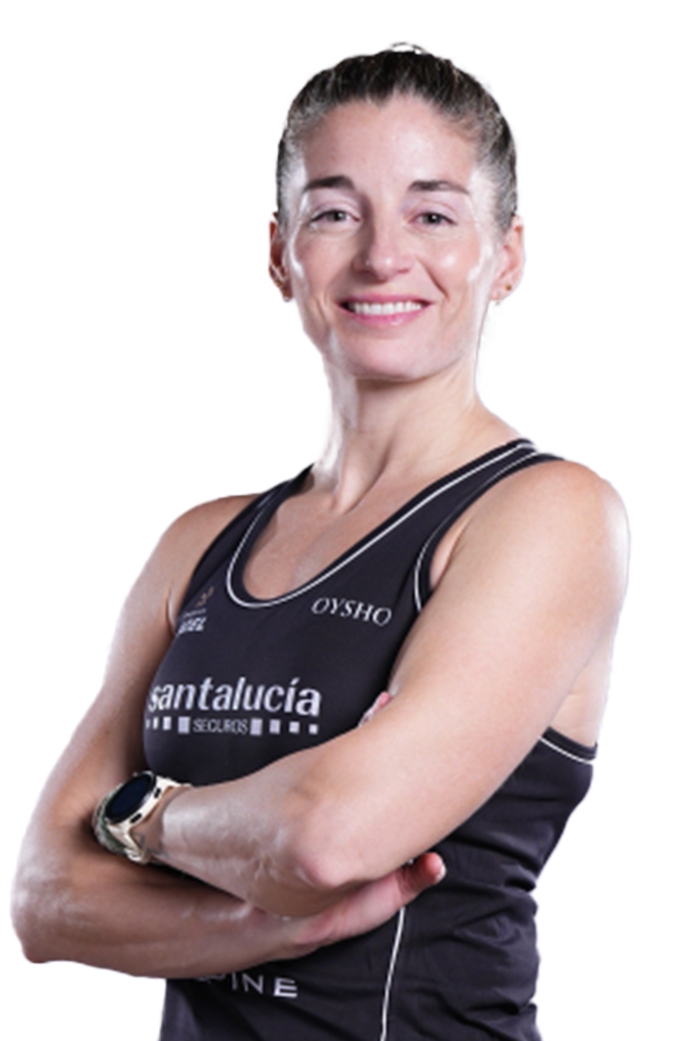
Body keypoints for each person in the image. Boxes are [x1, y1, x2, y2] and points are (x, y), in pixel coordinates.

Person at [11, 41, 628, 1041]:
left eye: (432, 215)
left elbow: (324, 837)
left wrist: (141, 816)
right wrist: (260, 924)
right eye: (335, 212)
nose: (382, 256)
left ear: (505, 255)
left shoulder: (545, 515)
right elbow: (41, 898)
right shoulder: (198, 545)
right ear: (279, 253)